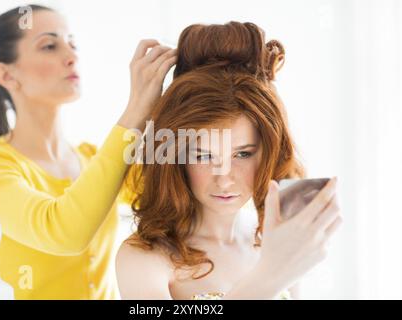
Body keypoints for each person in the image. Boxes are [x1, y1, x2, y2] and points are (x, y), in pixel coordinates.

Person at [0, 4, 176, 299]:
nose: (72, 57)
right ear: (6, 75)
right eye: (49, 46)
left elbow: (173, 196)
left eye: (72, 44)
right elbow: (63, 232)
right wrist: (136, 110)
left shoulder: (93, 157)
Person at [115, 21, 342, 300]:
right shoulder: (145, 259)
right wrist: (270, 276)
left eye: (243, 154)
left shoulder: (270, 239)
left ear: (269, 153)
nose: (224, 178)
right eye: (203, 155)